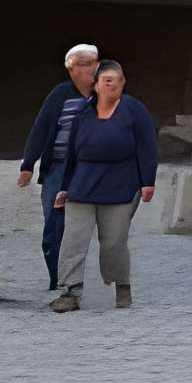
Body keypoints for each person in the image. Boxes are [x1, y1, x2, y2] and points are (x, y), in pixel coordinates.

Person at [47, 59, 155, 312]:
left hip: (120, 186)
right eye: (107, 80)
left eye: (117, 80)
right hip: (82, 185)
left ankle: (121, 285)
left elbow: (147, 146)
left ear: (123, 83)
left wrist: (147, 181)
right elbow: (72, 153)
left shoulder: (134, 110)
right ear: (95, 85)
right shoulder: (84, 113)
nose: (112, 85)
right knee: (73, 240)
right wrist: (64, 187)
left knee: (114, 243)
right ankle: (70, 291)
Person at [14, 43, 99, 289]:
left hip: (92, 170)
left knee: (88, 227)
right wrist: (28, 164)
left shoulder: (107, 93)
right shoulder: (61, 94)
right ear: (71, 68)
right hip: (59, 170)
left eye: (91, 63)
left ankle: (85, 280)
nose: (88, 69)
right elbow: (41, 128)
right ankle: (59, 280)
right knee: (54, 225)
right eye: (82, 64)